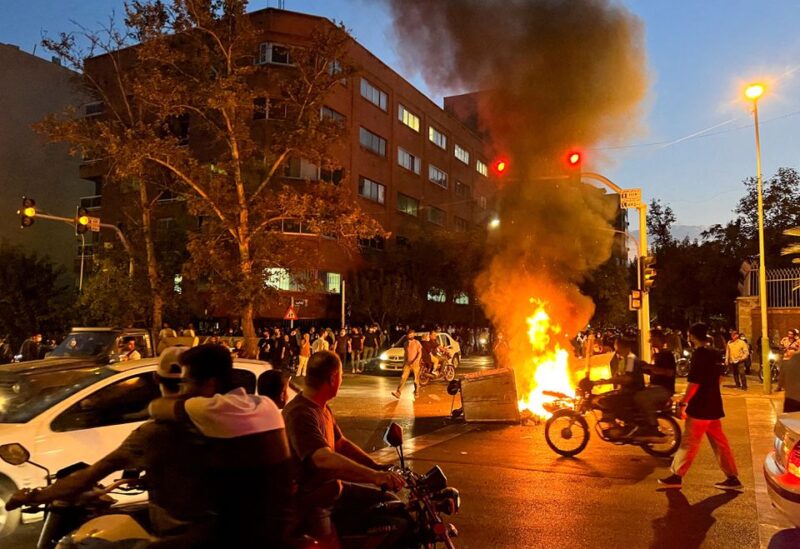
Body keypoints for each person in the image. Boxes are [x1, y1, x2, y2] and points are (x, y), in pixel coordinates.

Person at [6, 347, 217, 546]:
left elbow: (89, 476)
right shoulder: (223, 423)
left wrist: (34, 496)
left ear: (156, 379)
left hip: (179, 538)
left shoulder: (154, 433)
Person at [282, 351, 405, 547]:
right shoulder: (301, 413)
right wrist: (373, 477)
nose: (342, 379)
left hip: (332, 489)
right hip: (314, 498)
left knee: (390, 506)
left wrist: (378, 467)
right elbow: (322, 457)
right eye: (341, 375)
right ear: (332, 378)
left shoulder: (321, 407)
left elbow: (341, 443)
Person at [659, 323, 742, 491]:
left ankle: (676, 476)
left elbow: (694, 382)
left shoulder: (699, 355)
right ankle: (732, 477)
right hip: (713, 405)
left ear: (692, 336)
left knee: (689, 442)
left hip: (700, 407)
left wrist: (684, 401)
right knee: (720, 443)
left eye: (689, 336)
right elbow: (720, 378)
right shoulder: (714, 353)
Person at [592, 337, 656, 439]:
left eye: (617, 347)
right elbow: (618, 376)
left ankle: (627, 426)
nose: (616, 350)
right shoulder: (623, 360)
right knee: (605, 397)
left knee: (609, 401)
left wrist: (609, 381)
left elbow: (627, 379)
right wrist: (604, 381)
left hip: (632, 392)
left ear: (625, 347)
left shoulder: (630, 359)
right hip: (625, 390)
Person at [636, 329, 675, 438]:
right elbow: (654, 371)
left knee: (641, 397)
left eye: (651, 338)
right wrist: (641, 368)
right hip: (654, 388)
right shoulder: (656, 355)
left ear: (657, 339)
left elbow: (669, 372)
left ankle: (653, 426)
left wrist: (649, 366)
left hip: (664, 389)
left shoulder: (667, 354)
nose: (649, 341)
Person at [392, 329, 422, 399]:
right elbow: (406, 354)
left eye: (412, 334)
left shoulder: (417, 343)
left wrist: (416, 360)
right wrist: (404, 363)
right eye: (409, 334)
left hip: (415, 364)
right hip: (407, 364)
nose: (410, 335)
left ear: (414, 335)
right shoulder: (405, 343)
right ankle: (398, 393)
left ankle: (417, 392)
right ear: (407, 335)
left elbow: (420, 353)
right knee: (403, 377)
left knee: (415, 380)